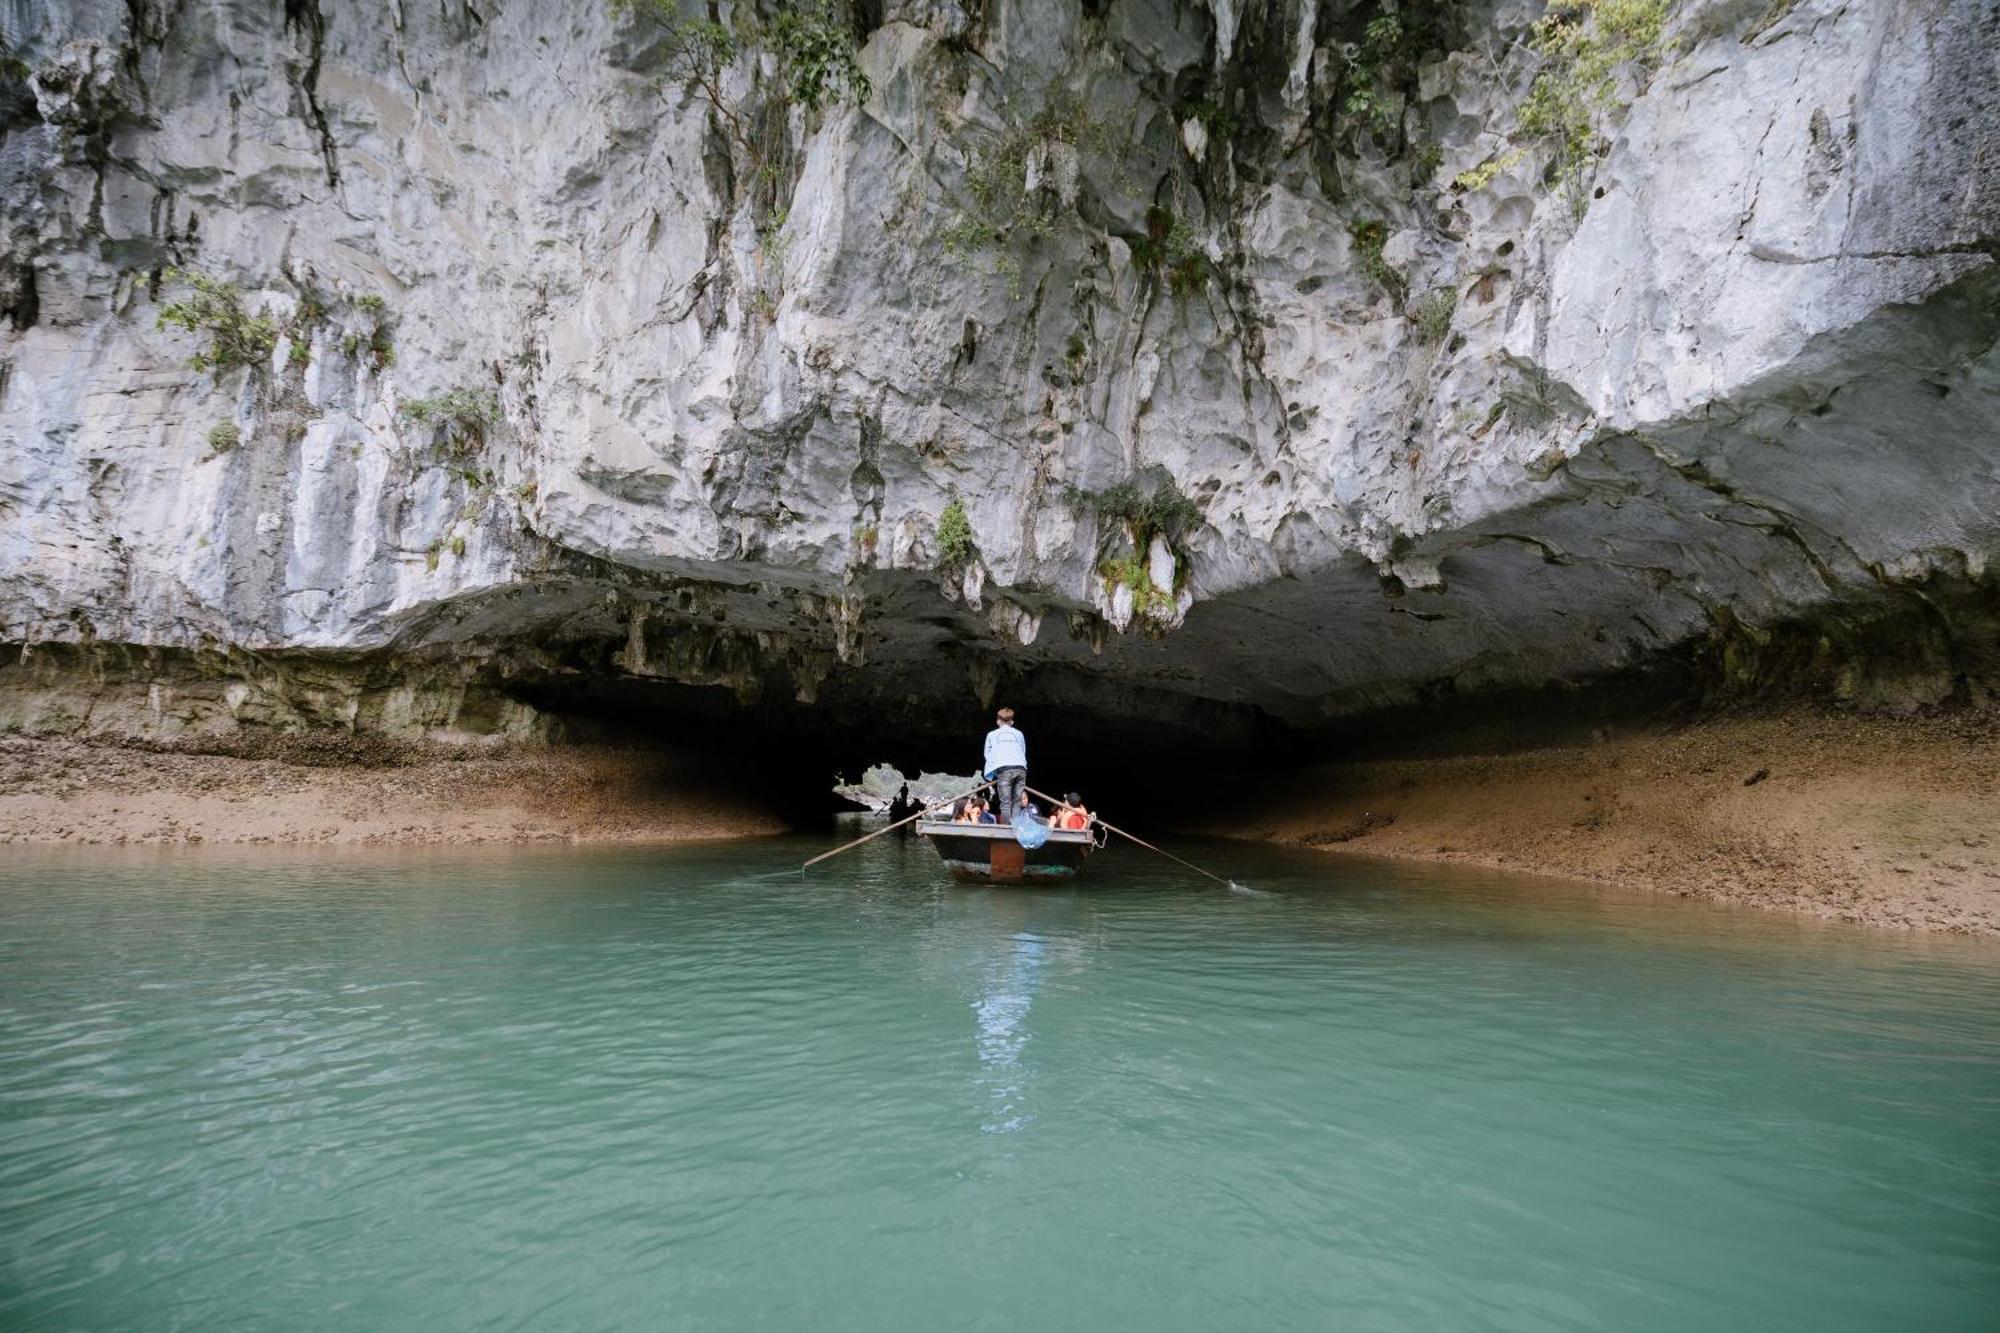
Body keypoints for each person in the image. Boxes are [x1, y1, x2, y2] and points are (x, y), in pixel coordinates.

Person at [983, 707, 1027, 829]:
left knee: (1006, 802)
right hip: (1020, 768)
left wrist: (994, 771)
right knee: (1017, 801)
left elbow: (987, 754)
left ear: (998, 721)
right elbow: (1023, 751)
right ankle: (1016, 827)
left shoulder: (992, 734)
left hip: (1004, 769)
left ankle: (1007, 829)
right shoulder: (1019, 734)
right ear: (1012, 722)